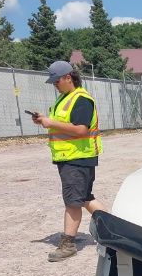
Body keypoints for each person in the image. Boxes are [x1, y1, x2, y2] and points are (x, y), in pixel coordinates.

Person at [32, 60, 106, 261]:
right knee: (84, 198)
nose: (55, 85)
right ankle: (113, 228)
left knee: (72, 202)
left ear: (68, 77)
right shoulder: (65, 98)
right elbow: (63, 125)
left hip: (77, 158)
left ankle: (68, 244)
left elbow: (81, 129)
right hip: (73, 158)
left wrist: (51, 122)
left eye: (57, 81)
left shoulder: (81, 99)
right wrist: (45, 120)